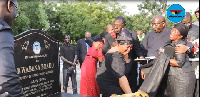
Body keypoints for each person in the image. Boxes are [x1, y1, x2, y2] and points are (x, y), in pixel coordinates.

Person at [102, 16, 143, 92]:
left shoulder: (133, 35)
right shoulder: (109, 36)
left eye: (118, 25)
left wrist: (141, 58)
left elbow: (138, 50)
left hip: (130, 69)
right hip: (115, 70)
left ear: (124, 25)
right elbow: (104, 50)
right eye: (114, 25)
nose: (116, 27)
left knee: (131, 89)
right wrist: (112, 48)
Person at [96, 30, 133, 97]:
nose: (129, 50)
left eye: (131, 47)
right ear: (119, 44)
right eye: (127, 47)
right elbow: (121, 77)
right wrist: (130, 95)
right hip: (108, 82)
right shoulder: (115, 55)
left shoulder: (124, 52)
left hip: (116, 82)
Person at [0, 0, 24, 97]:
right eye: (16, 10)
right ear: (9, 5)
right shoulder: (3, 29)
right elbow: (7, 81)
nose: (15, 16)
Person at [167, 23, 196, 97]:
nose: (172, 32)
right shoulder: (172, 43)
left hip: (182, 79)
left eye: (175, 31)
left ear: (180, 36)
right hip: (177, 77)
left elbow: (178, 63)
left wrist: (162, 58)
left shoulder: (180, 45)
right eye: (172, 30)